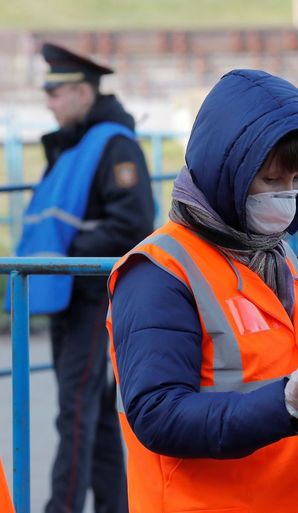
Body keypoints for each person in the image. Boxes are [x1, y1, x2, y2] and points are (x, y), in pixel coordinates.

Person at [106, 69, 298, 513]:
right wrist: (281, 405)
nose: (286, 198)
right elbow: (157, 415)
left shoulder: (279, 258)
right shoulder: (159, 272)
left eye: (295, 183)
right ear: (227, 174)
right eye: (272, 182)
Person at [3, 42, 155, 513]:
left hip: (90, 295)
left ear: (85, 93)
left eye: (56, 91)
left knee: (75, 412)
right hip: (70, 295)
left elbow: (132, 224)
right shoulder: (78, 145)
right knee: (95, 415)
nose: (48, 102)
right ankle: (116, 505)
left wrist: (67, 253)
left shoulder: (113, 145)